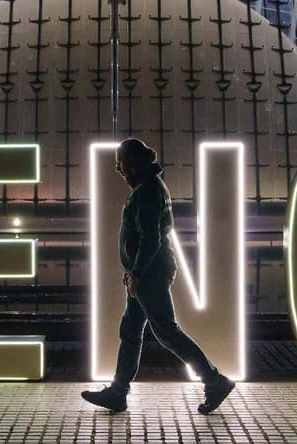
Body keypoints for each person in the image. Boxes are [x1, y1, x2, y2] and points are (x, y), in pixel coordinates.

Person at [82, 138, 236, 414]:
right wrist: (132, 271)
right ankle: (118, 391)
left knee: (166, 332)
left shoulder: (148, 191)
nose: (118, 169)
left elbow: (150, 238)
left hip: (150, 274)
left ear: (134, 162)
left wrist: (137, 272)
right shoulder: (148, 187)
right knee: (131, 331)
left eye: (121, 163)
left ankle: (214, 381)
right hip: (143, 274)